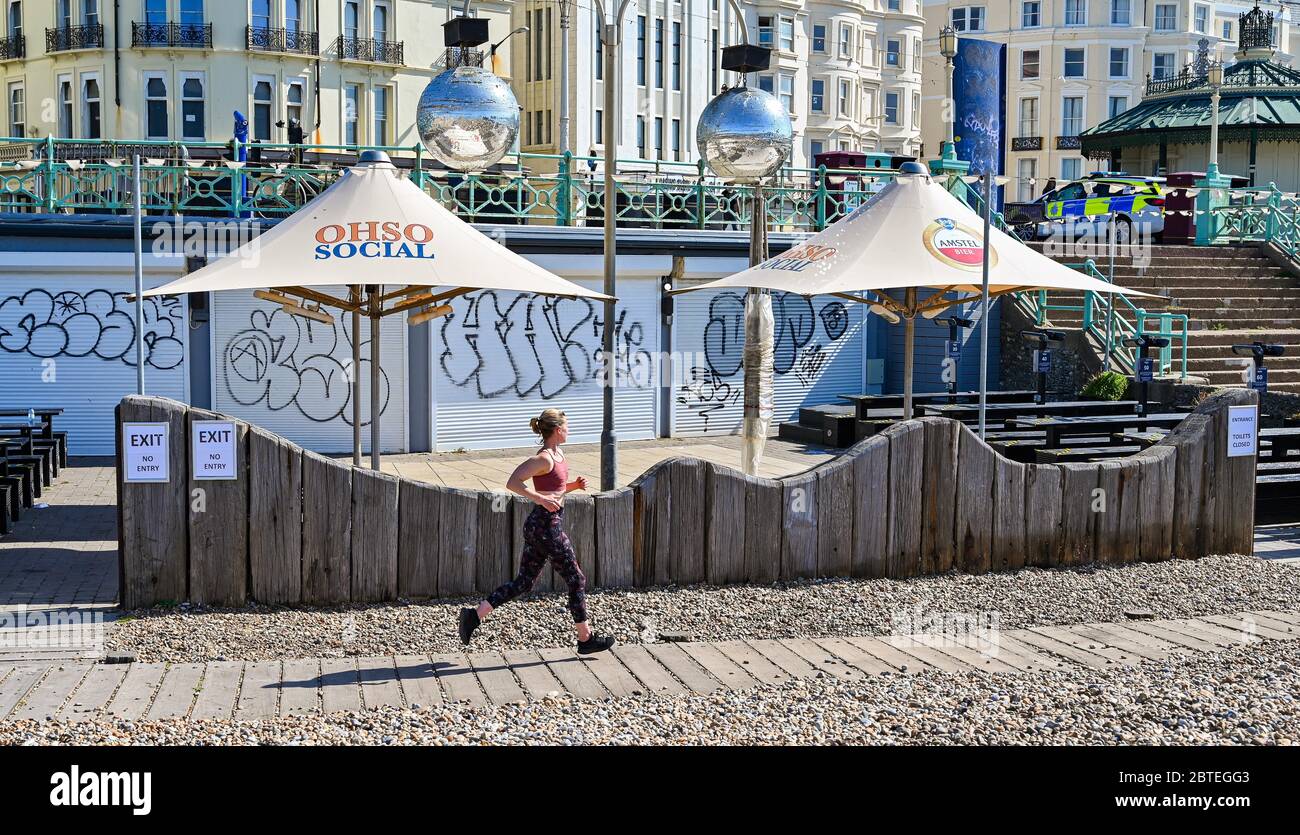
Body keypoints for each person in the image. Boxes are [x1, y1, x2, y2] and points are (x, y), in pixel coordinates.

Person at [458, 409, 616, 654]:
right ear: (557, 430)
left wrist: (573, 486)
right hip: (546, 527)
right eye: (567, 426)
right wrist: (539, 498)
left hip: (543, 525)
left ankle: (474, 616)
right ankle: (585, 639)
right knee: (577, 579)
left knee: (524, 582)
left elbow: (555, 490)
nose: (569, 430)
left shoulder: (559, 454)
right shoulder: (543, 458)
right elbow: (513, 482)